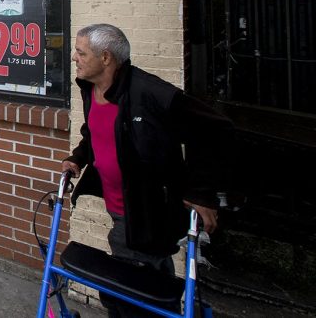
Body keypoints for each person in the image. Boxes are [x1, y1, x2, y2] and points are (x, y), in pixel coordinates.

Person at [62, 23, 232, 317]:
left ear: (106, 58)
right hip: (118, 207)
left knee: (128, 293)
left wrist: (202, 193)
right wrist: (77, 158)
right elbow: (95, 132)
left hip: (146, 210)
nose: (74, 58)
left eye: (80, 52)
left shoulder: (148, 91)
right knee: (143, 284)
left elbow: (217, 130)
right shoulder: (91, 88)